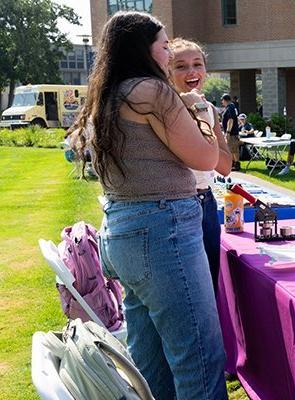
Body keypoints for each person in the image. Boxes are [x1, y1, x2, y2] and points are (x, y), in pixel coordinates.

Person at [72, 12, 227, 398]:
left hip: (123, 229)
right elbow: (208, 159)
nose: (168, 51)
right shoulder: (152, 92)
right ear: (145, 49)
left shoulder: (108, 94)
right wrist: (201, 117)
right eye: (164, 45)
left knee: (150, 355)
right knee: (200, 357)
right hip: (163, 229)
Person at [169, 37, 234, 296]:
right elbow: (199, 158)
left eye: (197, 64)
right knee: (186, 292)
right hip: (177, 204)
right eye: (181, 66)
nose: (192, 71)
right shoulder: (165, 108)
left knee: (210, 286)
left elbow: (225, 166)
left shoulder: (209, 109)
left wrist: (201, 113)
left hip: (206, 203)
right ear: (167, 71)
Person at [221, 93, 241, 171]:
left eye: (222, 100)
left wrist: (228, 132)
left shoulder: (230, 107)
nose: (222, 102)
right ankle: (233, 163)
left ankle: (237, 164)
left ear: (226, 100)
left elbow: (230, 120)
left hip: (232, 133)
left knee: (234, 149)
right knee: (231, 149)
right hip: (231, 132)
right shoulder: (230, 107)